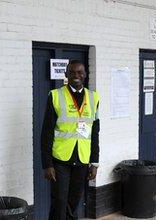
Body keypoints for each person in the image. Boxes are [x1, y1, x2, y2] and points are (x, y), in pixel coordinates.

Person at [41, 60, 100, 220]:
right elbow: (46, 132)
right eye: (72, 72)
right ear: (66, 75)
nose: (76, 76)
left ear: (85, 75)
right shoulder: (55, 96)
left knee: (74, 202)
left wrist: (94, 163)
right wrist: (47, 164)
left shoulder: (94, 98)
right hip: (60, 159)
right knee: (59, 201)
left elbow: (95, 133)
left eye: (80, 72)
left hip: (82, 159)